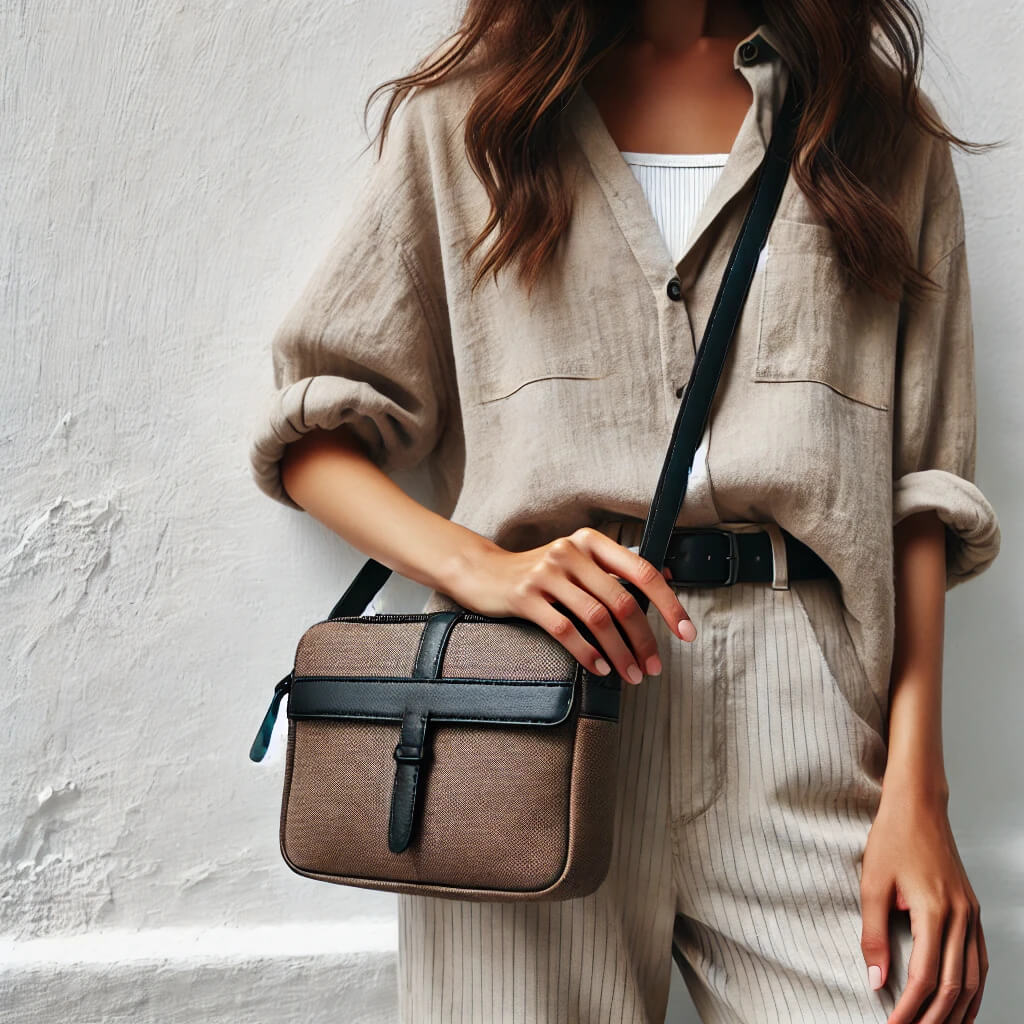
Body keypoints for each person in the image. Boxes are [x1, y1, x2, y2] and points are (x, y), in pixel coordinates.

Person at [247, 1, 1002, 1021]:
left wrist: (920, 792)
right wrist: (480, 567)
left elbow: (920, 490)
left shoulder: (873, 128)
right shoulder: (473, 117)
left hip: (802, 707)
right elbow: (313, 434)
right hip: (524, 696)